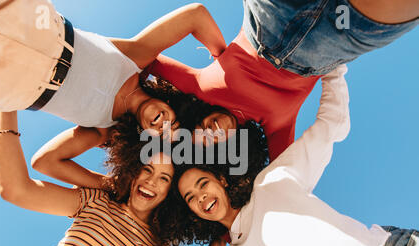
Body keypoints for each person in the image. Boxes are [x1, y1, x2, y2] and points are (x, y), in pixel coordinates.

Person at [173, 64, 419, 246]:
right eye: (191, 198)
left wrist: (334, 67)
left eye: (202, 184)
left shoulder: (270, 182)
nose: (200, 196)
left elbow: (332, 125)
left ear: (222, 180)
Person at [0, 0, 226, 185]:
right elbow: (196, 15)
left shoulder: (105, 128)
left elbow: (45, 162)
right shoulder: (135, 58)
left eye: (163, 137)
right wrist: (225, 64)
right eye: (177, 122)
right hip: (40, 29)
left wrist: (111, 186)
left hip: (11, 83)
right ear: (175, 104)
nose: (166, 126)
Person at [146, 0, 418, 161]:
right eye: (209, 143)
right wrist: (227, 231)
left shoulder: (199, 86)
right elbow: (273, 193)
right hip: (338, 36)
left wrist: (125, 109)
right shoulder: (274, 130)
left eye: (198, 131)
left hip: (271, 17)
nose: (209, 132)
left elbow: (139, 58)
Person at [0, 111, 193, 246]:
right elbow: (17, 187)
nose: (151, 181)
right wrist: (7, 106)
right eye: (146, 169)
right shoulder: (98, 200)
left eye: (164, 178)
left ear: (172, 193)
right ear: (132, 170)